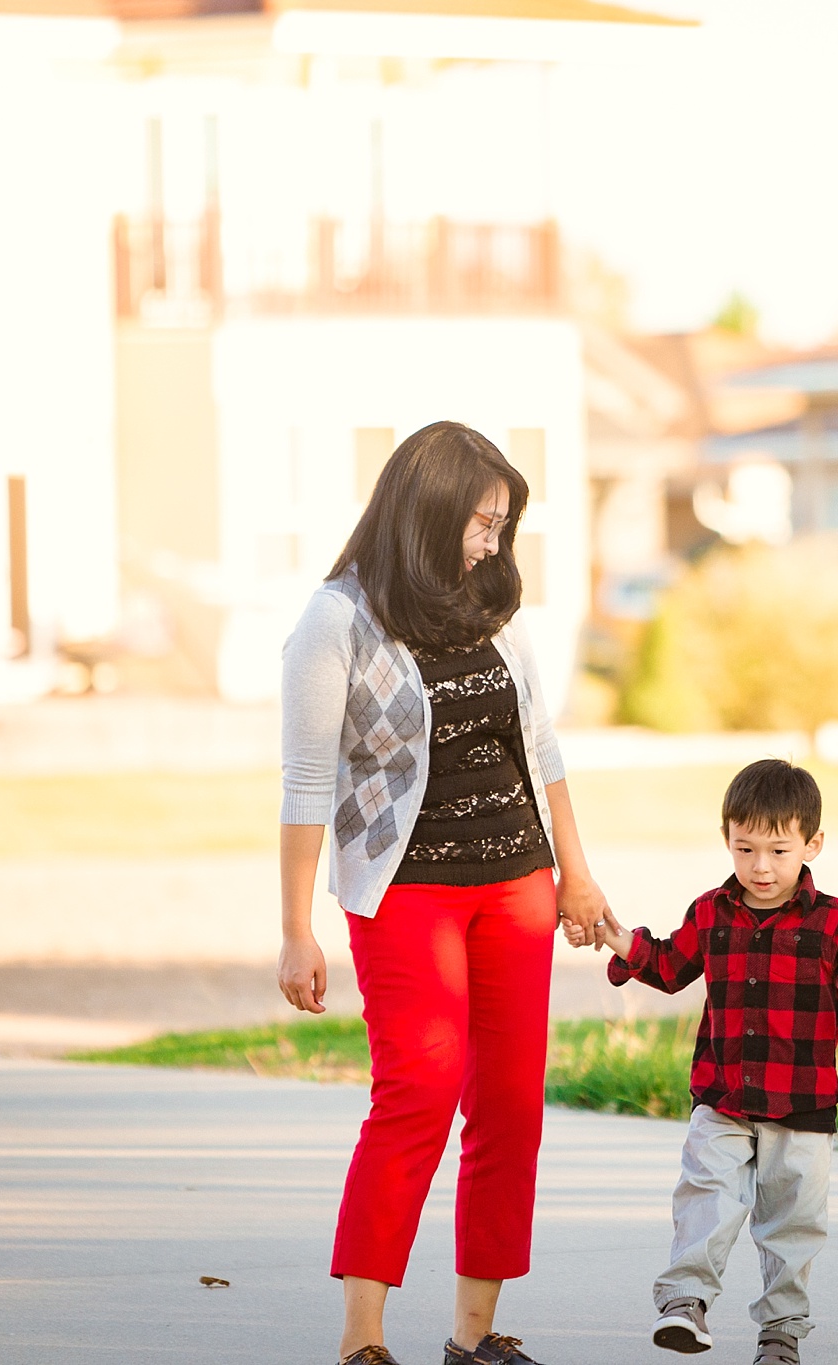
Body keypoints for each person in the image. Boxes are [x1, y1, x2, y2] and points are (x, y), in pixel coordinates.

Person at [275, 421, 614, 1365]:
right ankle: (363, 1341)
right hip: (406, 889)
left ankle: (475, 1334)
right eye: (480, 521)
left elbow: (539, 748)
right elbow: (306, 783)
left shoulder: (492, 609)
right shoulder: (335, 620)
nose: (492, 542)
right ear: (425, 509)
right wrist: (296, 928)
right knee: (418, 1089)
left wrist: (575, 872)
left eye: (503, 524)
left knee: (509, 1103)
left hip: (518, 883)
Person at [593, 759, 838, 1365]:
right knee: (706, 1194)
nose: (761, 867)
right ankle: (684, 1303)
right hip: (722, 1095)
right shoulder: (712, 911)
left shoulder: (831, 922)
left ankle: (782, 1332)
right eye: (745, 849)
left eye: (778, 849)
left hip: (802, 1106)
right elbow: (667, 966)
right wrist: (616, 938)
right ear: (728, 839)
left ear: (812, 845)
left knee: (792, 1225)